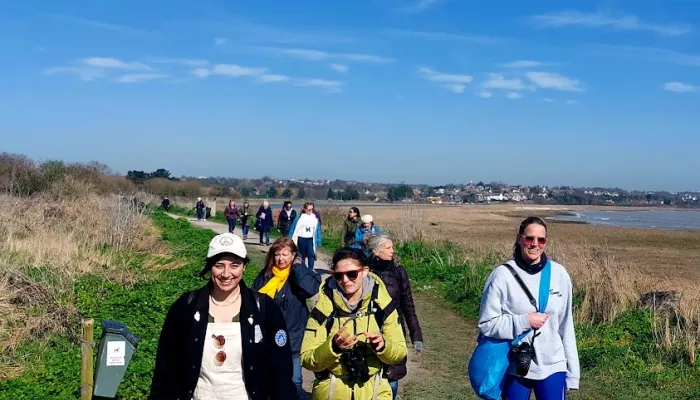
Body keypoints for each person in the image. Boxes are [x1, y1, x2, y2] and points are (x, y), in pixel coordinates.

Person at [150, 232, 296, 400]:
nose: (226, 274)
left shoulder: (264, 309)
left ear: (244, 267)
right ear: (210, 266)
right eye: (219, 265)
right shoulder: (186, 307)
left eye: (234, 265)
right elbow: (166, 369)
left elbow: (281, 373)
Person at [477, 217, 580, 400]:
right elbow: (486, 324)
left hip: (553, 365)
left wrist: (573, 373)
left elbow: (566, 326)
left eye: (541, 240)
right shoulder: (501, 276)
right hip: (515, 365)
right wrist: (523, 321)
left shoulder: (559, 274)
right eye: (529, 238)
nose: (535, 244)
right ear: (519, 239)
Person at [301, 247, 408, 400]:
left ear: (365, 271)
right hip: (332, 392)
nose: (345, 280)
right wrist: (333, 347)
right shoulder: (323, 307)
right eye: (338, 276)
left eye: (352, 274)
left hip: (375, 392)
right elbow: (307, 359)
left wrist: (383, 345)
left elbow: (400, 353)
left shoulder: (382, 304)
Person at [252, 238, 322, 399]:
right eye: (277, 254)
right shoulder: (265, 276)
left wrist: (297, 266)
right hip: (267, 336)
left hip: (293, 336)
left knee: (295, 380)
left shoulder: (299, 276)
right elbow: (253, 299)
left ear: (293, 255)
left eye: (285, 254)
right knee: (268, 379)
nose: (281, 258)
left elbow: (311, 289)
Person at [367, 233, 423, 400]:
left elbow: (408, 305)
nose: (393, 251)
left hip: (394, 329)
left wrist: (416, 335)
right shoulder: (363, 272)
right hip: (368, 329)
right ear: (376, 251)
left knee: (392, 374)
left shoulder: (399, 271)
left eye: (392, 247)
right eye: (388, 247)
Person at [288, 203, 322, 270]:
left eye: (312, 209)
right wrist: (290, 237)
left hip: (310, 239)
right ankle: (302, 269)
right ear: (305, 209)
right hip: (301, 239)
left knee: (311, 254)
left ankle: (310, 269)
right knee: (302, 255)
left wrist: (318, 240)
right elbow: (294, 227)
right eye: (309, 209)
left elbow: (317, 230)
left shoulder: (314, 218)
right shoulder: (299, 217)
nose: (311, 211)